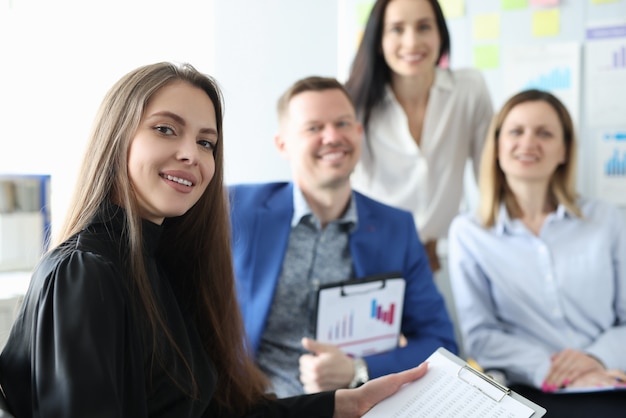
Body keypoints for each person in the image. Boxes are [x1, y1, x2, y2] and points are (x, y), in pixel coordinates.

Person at [0, 62, 431, 418]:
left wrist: (341, 404)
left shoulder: (163, 261)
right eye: (166, 130)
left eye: (206, 142)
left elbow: (212, 413)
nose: (192, 153)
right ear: (117, 138)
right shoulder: (86, 271)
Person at [229, 76, 457, 398]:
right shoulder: (234, 210)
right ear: (283, 145)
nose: (332, 137)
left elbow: (441, 344)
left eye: (343, 123)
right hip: (252, 403)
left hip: (356, 404)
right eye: (313, 128)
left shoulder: (396, 228)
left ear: (359, 133)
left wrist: (357, 369)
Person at [448, 89, 626, 417]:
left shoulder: (607, 220)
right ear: (497, 146)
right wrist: (549, 369)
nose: (528, 143)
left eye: (544, 133)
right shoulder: (469, 233)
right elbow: (481, 336)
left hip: (609, 378)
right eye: (516, 131)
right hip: (526, 390)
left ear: (564, 151)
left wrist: (596, 359)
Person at [345, 0, 493, 273]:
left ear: (441, 34)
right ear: (378, 40)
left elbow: (490, 174)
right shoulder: (353, 102)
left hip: (431, 254)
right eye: (397, 29)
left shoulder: (469, 89)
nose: (412, 42)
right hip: (366, 252)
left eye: (424, 27)